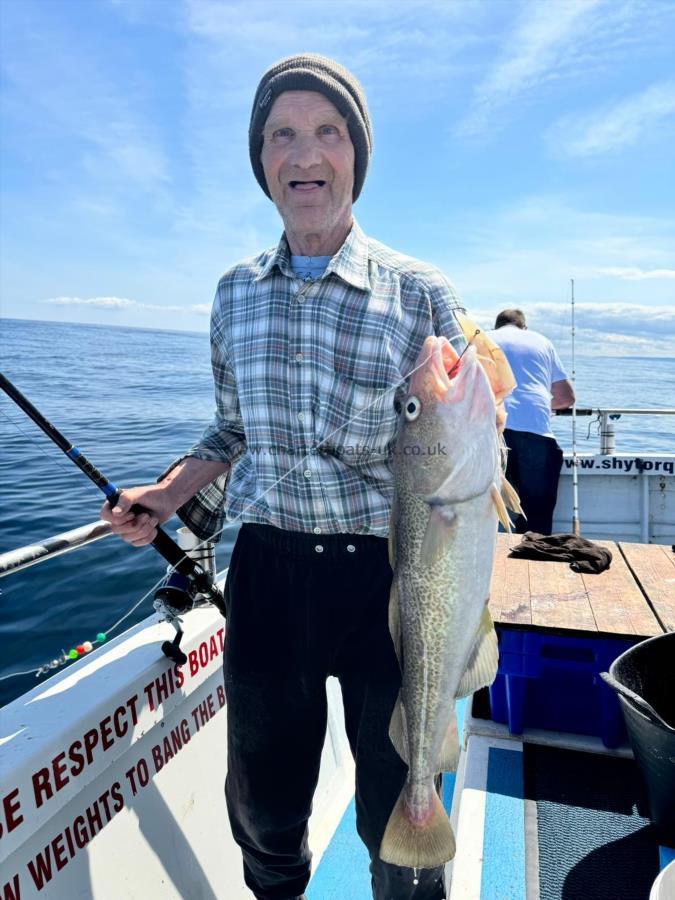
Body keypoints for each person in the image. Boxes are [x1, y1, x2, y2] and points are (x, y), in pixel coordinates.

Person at [102, 54, 478, 900]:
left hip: (394, 572)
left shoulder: (421, 292)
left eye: (327, 132)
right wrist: (165, 495)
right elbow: (229, 428)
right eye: (282, 135)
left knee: (400, 790)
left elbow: (478, 409)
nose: (305, 154)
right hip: (269, 574)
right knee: (265, 805)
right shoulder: (233, 291)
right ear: (261, 159)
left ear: (356, 156)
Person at [488, 309, 575, 535]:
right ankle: (533, 557)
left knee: (484, 505)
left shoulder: (484, 338)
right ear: (523, 327)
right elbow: (566, 398)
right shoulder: (542, 342)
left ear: (497, 326)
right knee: (537, 512)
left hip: (491, 431)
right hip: (536, 432)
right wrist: (541, 407)